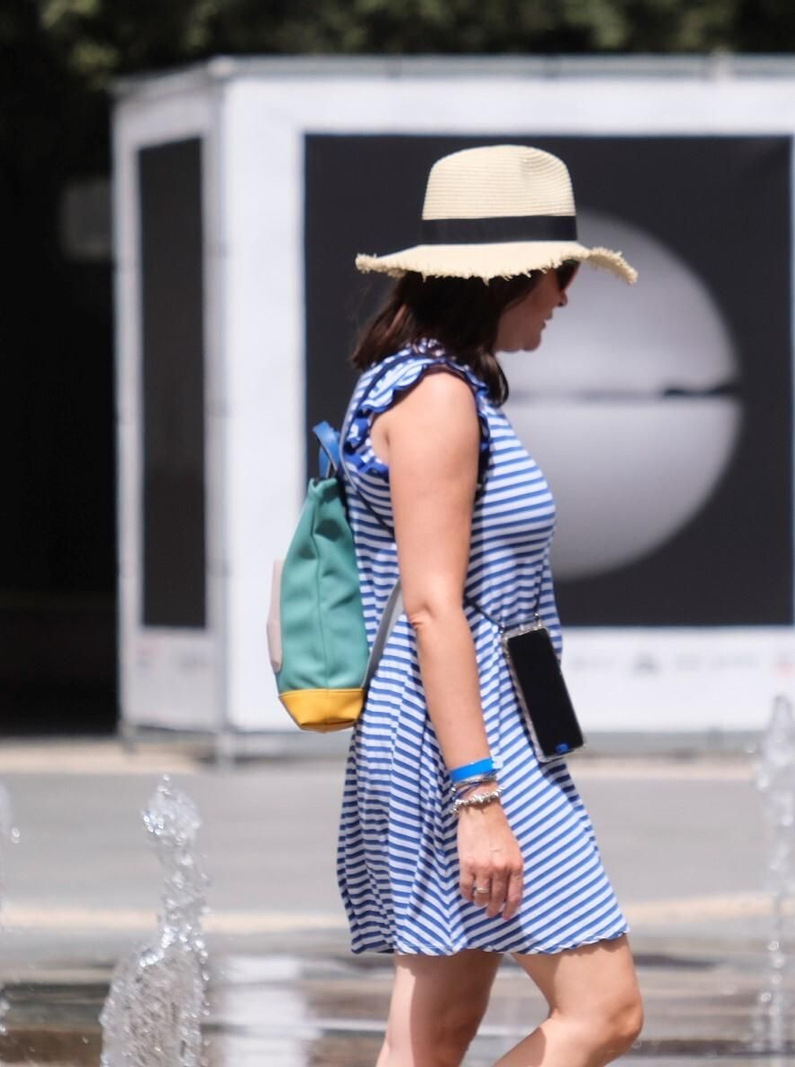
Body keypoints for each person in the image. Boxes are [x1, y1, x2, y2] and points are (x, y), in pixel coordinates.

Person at [336, 145, 643, 1067]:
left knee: (429, 1041)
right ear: (506, 277)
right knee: (606, 1010)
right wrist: (478, 796)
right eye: (558, 274)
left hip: (450, 717)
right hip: (461, 735)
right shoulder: (435, 398)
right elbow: (435, 607)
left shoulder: (429, 381)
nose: (565, 295)